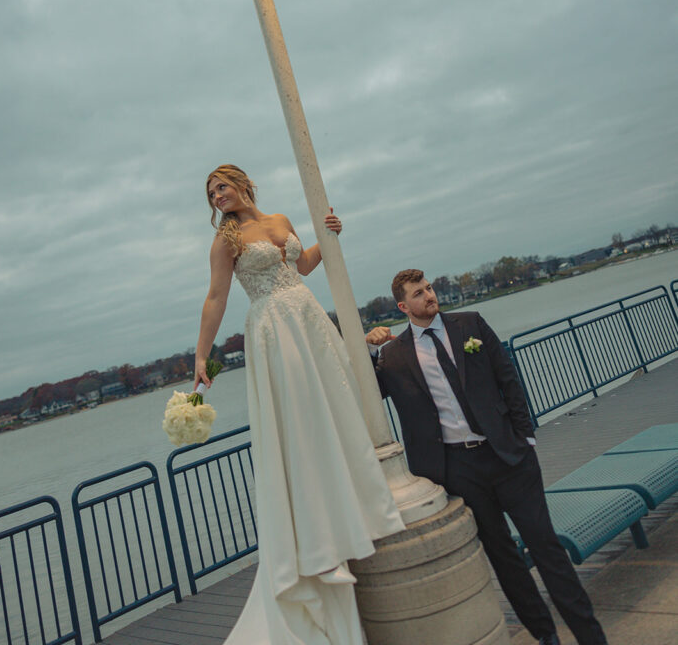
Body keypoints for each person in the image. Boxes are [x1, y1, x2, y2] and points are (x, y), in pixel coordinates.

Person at [195, 165, 404, 645]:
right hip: (273, 327)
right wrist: (201, 355)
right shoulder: (226, 241)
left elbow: (304, 265)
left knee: (335, 399)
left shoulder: (281, 218)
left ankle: (358, 496)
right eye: (211, 193)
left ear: (243, 184)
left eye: (222, 186)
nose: (218, 196)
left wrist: (328, 236)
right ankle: (319, 527)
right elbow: (215, 297)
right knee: (302, 416)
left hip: (307, 313)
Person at [366, 269, 608, 645]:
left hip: (509, 457)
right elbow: (365, 393)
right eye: (419, 293)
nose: (429, 295)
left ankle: (591, 637)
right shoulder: (393, 356)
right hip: (459, 470)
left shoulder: (470, 323)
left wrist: (524, 439)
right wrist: (368, 350)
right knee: (503, 557)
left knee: (546, 547)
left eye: (429, 288)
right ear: (403, 306)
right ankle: (547, 637)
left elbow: (507, 378)